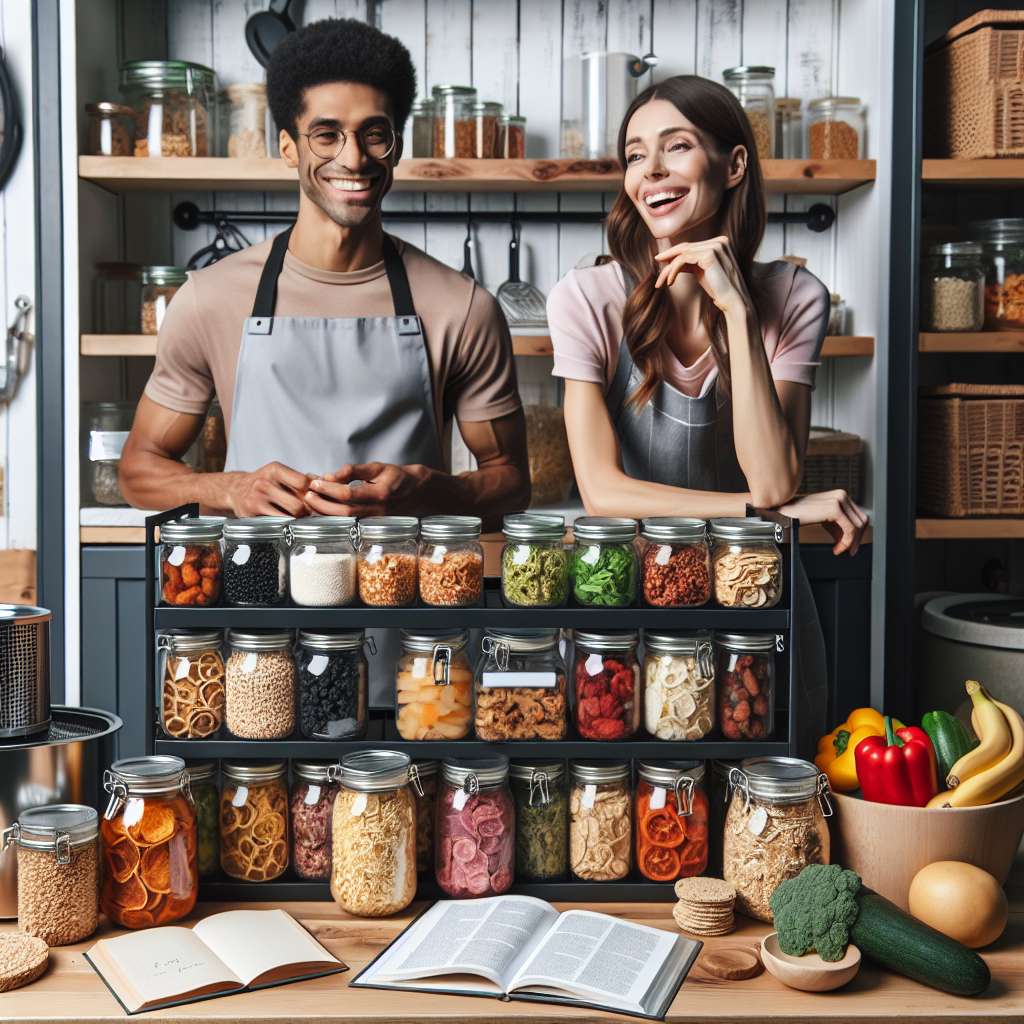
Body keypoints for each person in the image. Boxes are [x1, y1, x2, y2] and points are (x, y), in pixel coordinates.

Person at [546, 76, 869, 756]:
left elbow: (776, 478)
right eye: (636, 155)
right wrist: (762, 516)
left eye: (677, 146)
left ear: (734, 164)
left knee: (768, 815)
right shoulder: (587, 299)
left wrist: (740, 313)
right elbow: (605, 495)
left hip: (760, 597)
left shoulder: (792, 296)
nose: (651, 171)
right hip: (630, 598)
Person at [119, 18, 529, 526]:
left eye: (373, 134)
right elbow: (138, 470)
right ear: (288, 146)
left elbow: (511, 482)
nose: (353, 158)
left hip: (404, 598)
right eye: (327, 135)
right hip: (258, 597)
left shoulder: (461, 307)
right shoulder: (211, 298)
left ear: (395, 145)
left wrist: (428, 490)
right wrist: (232, 489)